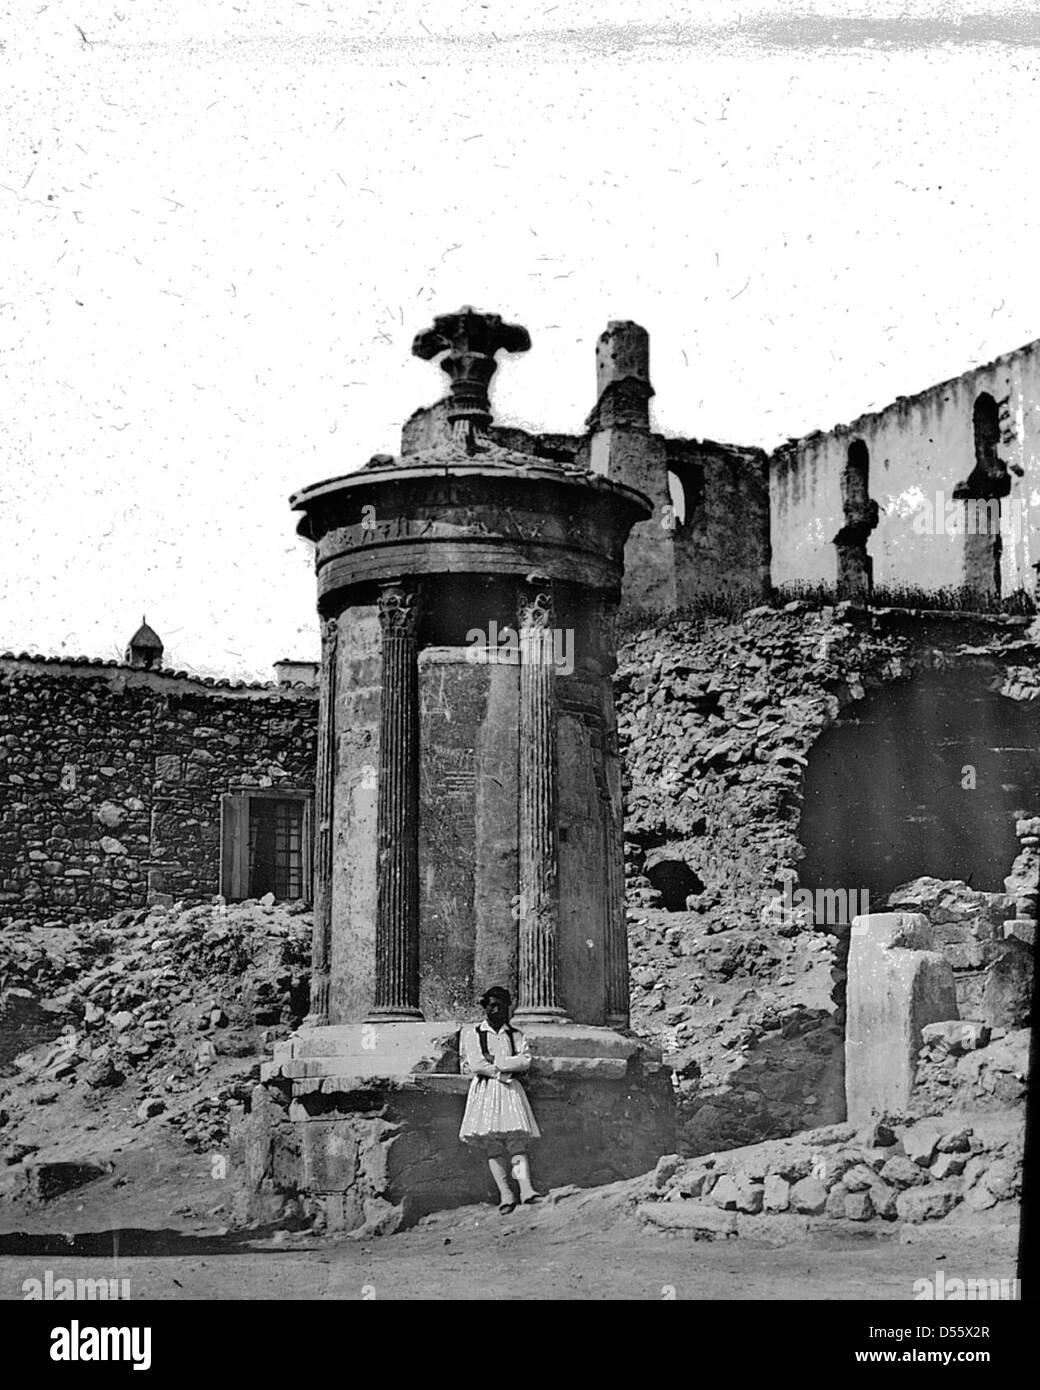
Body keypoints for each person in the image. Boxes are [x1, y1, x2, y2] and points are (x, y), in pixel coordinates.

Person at [459, 985, 542, 1213]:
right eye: (493, 1005)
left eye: (502, 1006)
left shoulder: (515, 1035)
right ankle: (506, 1194)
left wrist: (496, 1061)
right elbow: (477, 1064)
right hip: (486, 1091)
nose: (498, 1010)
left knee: (516, 1140)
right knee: (492, 1142)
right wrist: (503, 1069)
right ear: (485, 1007)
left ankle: (526, 1190)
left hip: (510, 1091)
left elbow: (524, 1061)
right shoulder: (473, 1034)